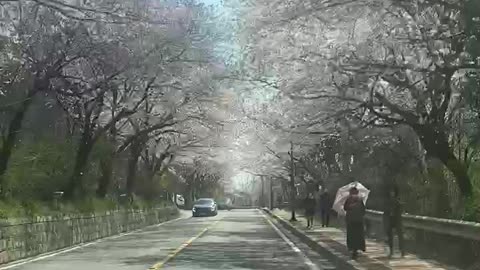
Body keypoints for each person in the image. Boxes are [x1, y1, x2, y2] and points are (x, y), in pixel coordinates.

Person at [343, 187, 366, 259]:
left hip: (350, 221)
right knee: (358, 235)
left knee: (351, 235)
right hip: (359, 221)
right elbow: (363, 211)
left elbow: (345, 208)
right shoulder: (360, 199)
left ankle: (353, 250)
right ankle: (357, 249)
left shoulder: (349, 199)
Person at [383, 185, 405, 258]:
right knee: (390, 235)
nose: (391, 193)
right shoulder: (388, 200)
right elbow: (385, 210)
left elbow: (401, 208)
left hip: (397, 219)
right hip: (390, 219)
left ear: (395, 192)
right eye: (390, 191)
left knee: (400, 235)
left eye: (393, 191)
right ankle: (391, 251)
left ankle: (402, 251)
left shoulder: (397, 199)